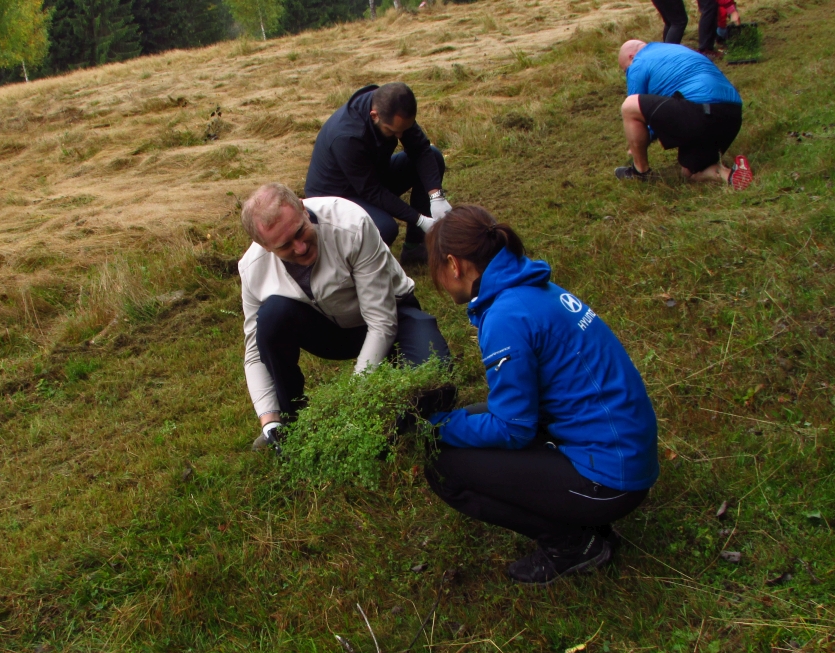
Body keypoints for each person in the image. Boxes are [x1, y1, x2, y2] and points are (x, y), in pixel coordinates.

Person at [423, 205, 660, 585]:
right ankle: (586, 525)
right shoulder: (530, 288)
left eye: (434, 270)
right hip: (624, 451)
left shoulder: (506, 316)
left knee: (443, 464)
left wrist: (435, 428)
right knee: (472, 418)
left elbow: (512, 429)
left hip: (612, 480)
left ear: (454, 265)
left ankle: (572, 545)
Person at [239, 183, 451, 451]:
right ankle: (291, 422)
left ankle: (395, 412)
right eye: (285, 246)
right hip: (330, 330)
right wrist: (269, 420)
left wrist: (353, 402)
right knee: (271, 318)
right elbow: (255, 351)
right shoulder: (251, 269)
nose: (301, 247)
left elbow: (381, 322)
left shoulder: (351, 223)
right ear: (264, 246)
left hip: (394, 315)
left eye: (300, 232)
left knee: (436, 381)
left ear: (303, 209)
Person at [304, 82, 452, 267]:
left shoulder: (392, 106)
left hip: (370, 176)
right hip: (336, 198)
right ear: (374, 115)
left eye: (404, 130)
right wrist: (419, 219)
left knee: (434, 157)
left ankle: (415, 247)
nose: (400, 136)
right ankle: (351, 267)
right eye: (392, 131)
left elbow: (421, 149)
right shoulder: (347, 137)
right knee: (384, 228)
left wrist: (435, 195)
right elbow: (371, 191)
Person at [616, 39, 753, 190]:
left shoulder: (638, 62)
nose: (628, 74)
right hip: (731, 115)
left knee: (629, 106)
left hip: (700, 111)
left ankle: (639, 172)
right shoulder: (678, 49)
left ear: (630, 56)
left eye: (625, 70)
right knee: (690, 171)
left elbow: (638, 108)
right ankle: (731, 176)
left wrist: (638, 144)